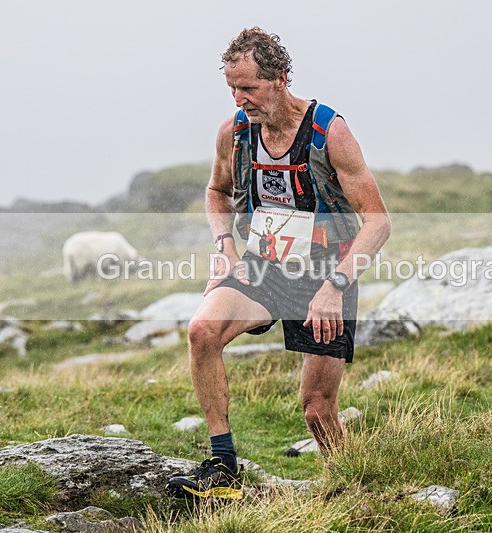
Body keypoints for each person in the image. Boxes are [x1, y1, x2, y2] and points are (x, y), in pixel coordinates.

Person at [166, 27, 390, 500]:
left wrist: (335, 287)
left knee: (317, 409)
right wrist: (225, 244)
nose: (239, 98)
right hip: (263, 265)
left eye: (248, 87)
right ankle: (223, 467)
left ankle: (349, 489)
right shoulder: (235, 132)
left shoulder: (330, 132)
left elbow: (378, 223)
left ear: (281, 79)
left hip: (328, 272)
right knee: (202, 332)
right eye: (232, 88)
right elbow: (216, 192)